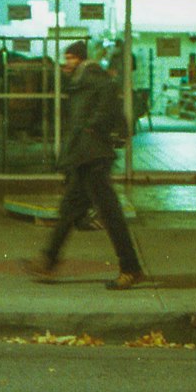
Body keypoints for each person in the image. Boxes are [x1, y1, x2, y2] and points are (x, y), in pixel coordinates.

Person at [22, 41, 145, 290]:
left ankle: (130, 268)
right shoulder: (81, 81)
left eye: (70, 58)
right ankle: (48, 261)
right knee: (69, 210)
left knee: (110, 214)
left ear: (80, 59)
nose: (66, 64)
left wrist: (94, 127)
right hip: (84, 156)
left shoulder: (92, 77)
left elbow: (107, 100)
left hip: (93, 157)